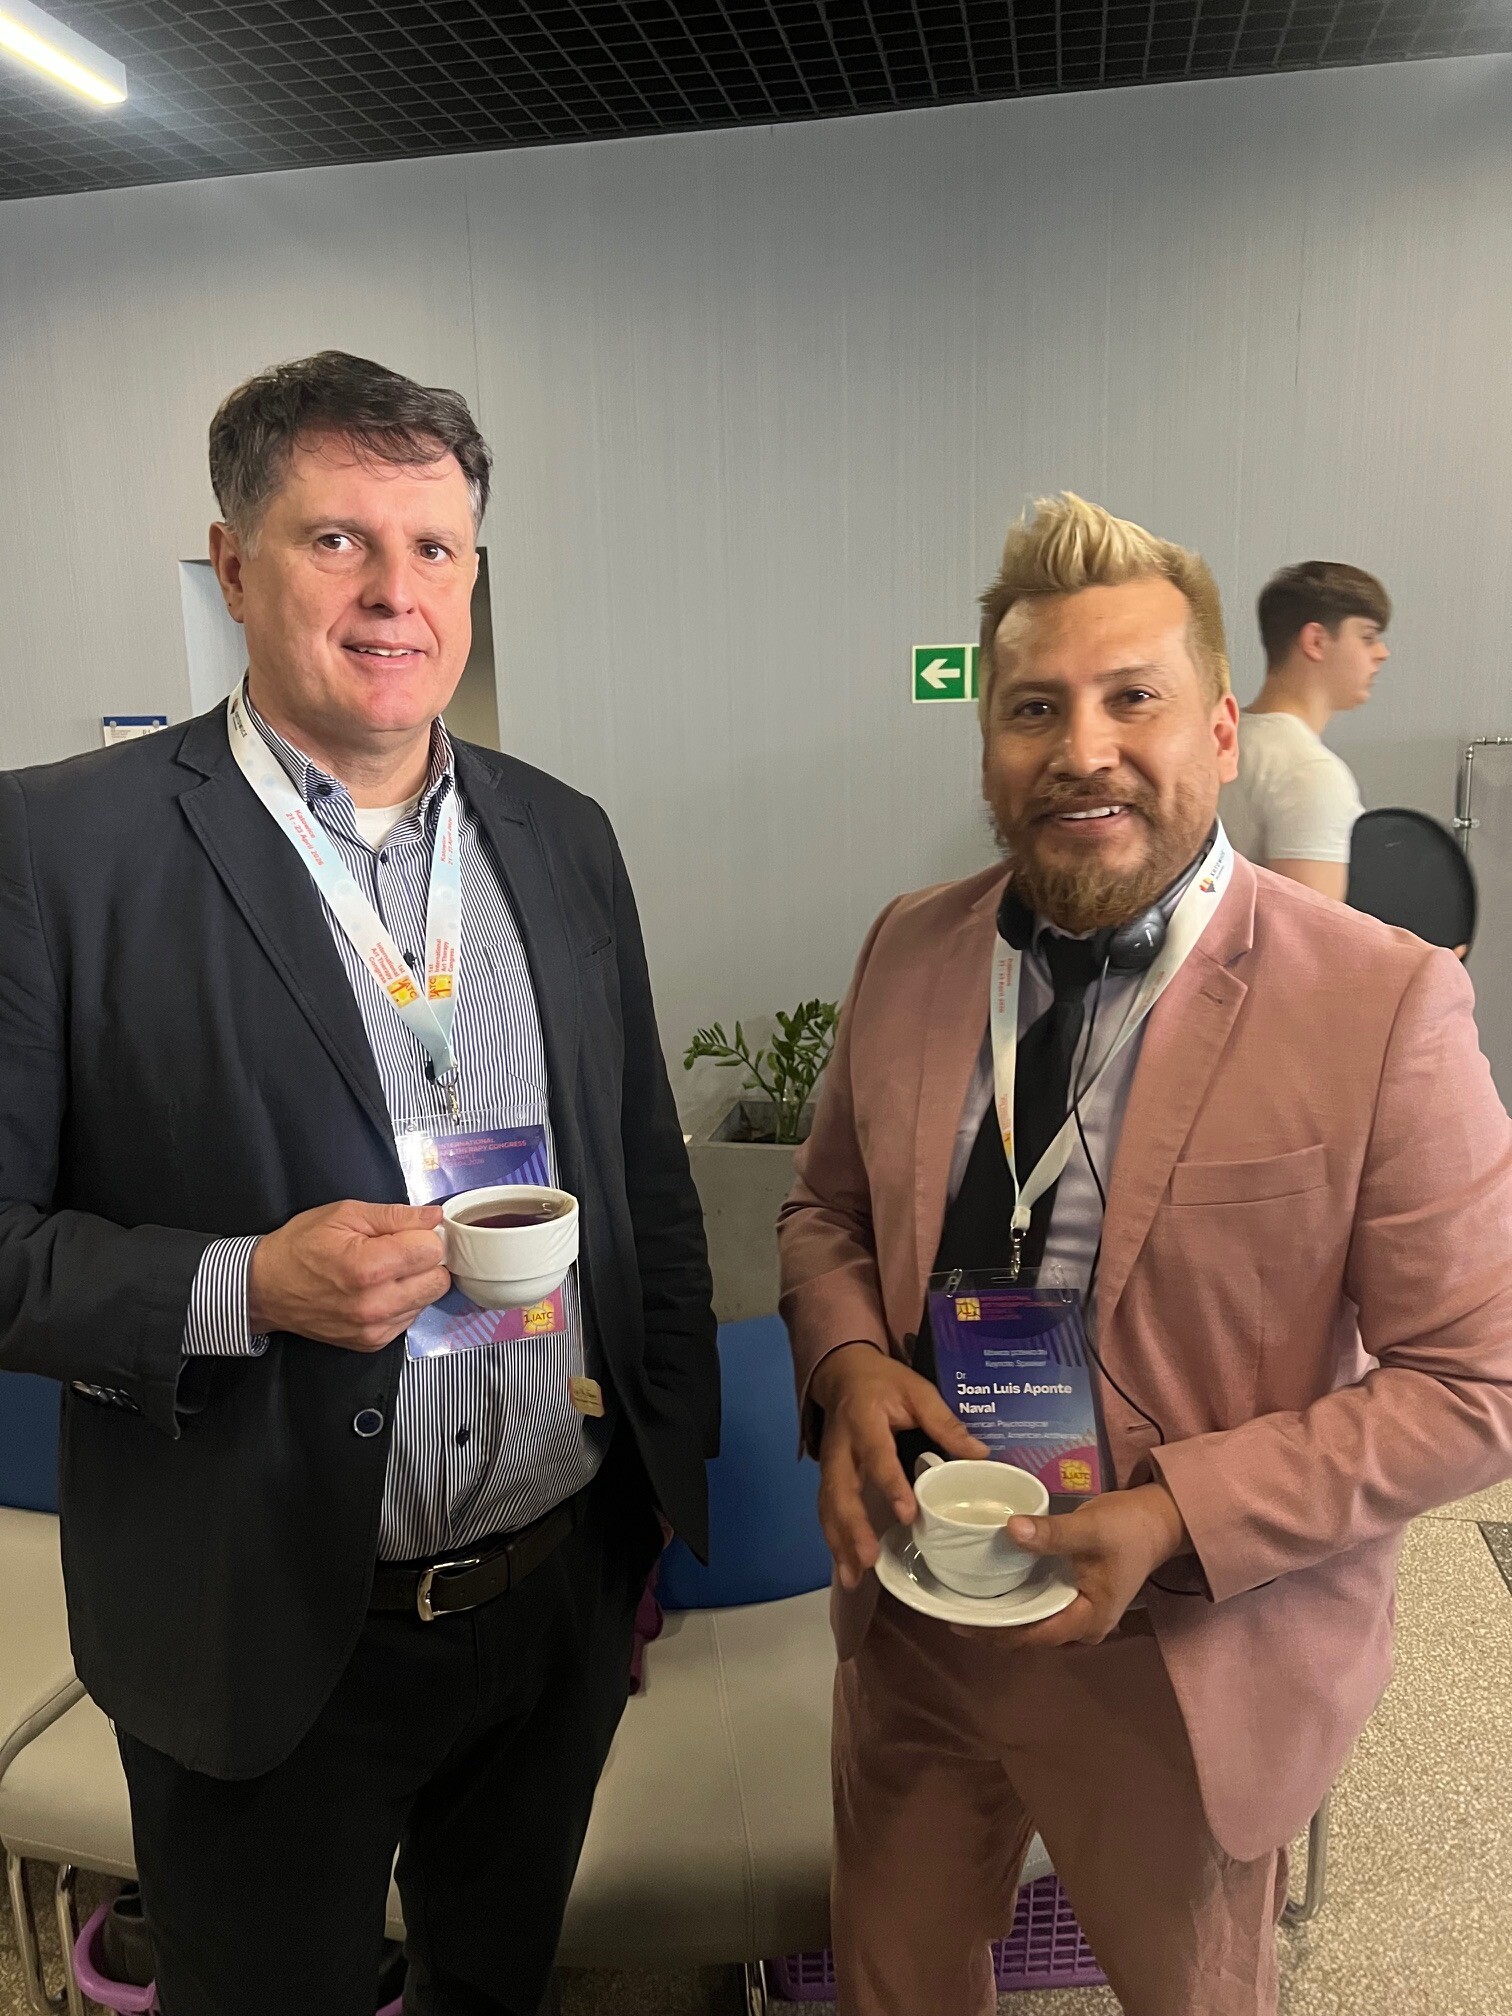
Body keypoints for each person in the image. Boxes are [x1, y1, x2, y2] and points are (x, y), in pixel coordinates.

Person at [0, 351, 718, 2016]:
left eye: (436, 547)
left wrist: (648, 1507)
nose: (398, 591)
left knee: (500, 1986)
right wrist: (246, 1284)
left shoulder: (563, 834)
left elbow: (644, 1185)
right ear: (234, 565)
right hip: (256, 1616)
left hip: (550, 1596)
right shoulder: (56, 854)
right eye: (339, 540)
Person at [777, 494, 1512, 2016]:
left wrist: (1181, 1513)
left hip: (1182, 1646)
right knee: (894, 1986)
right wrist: (846, 1361)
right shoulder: (909, 948)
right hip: (922, 1603)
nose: (1083, 747)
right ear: (989, 748)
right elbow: (824, 1212)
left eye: (1134, 699)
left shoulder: (1379, 1003)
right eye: (1034, 709)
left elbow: (1477, 1383)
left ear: (1223, 732)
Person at [1219, 559, 1391, 899]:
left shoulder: (1222, 741)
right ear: (1316, 641)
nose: (1382, 653)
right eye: (1368, 637)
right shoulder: (1310, 773)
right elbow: (1309, 932)